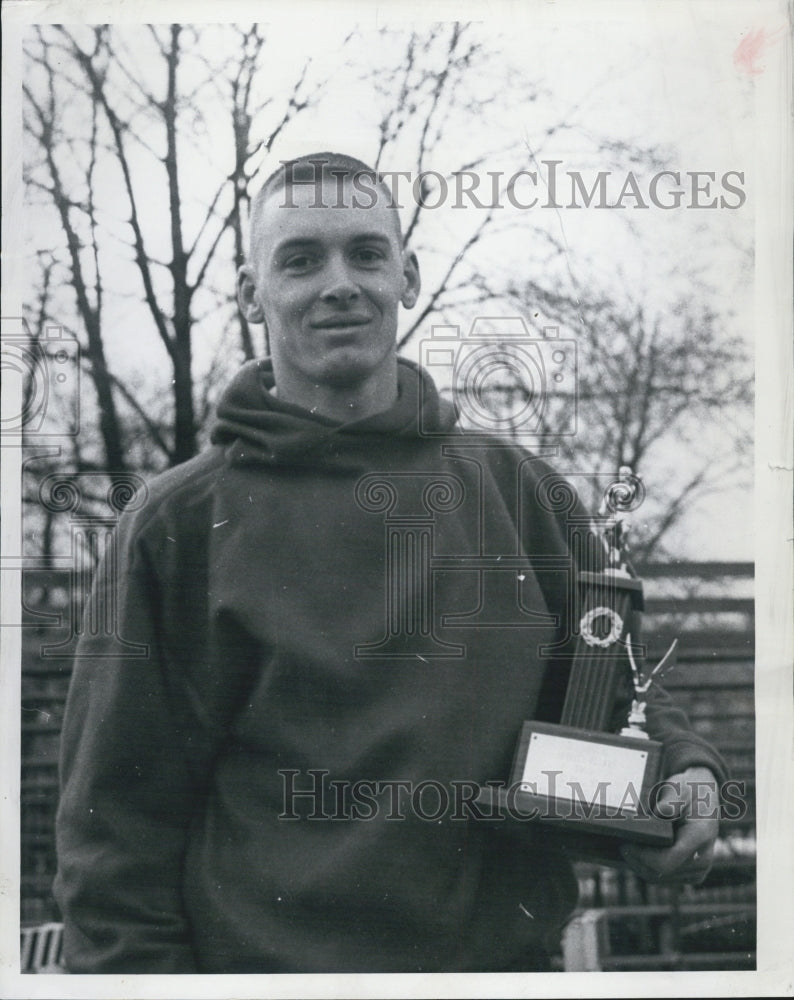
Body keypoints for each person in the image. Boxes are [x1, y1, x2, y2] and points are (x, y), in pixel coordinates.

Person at [54, 152, 727, 973]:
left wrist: (684, 779)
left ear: (406, 276)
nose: (339, 282)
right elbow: (112, 833)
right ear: (247, 291)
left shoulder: (523, 495)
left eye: (365, 253)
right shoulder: (173, 525)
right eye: (300, 259)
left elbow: (614, 699)